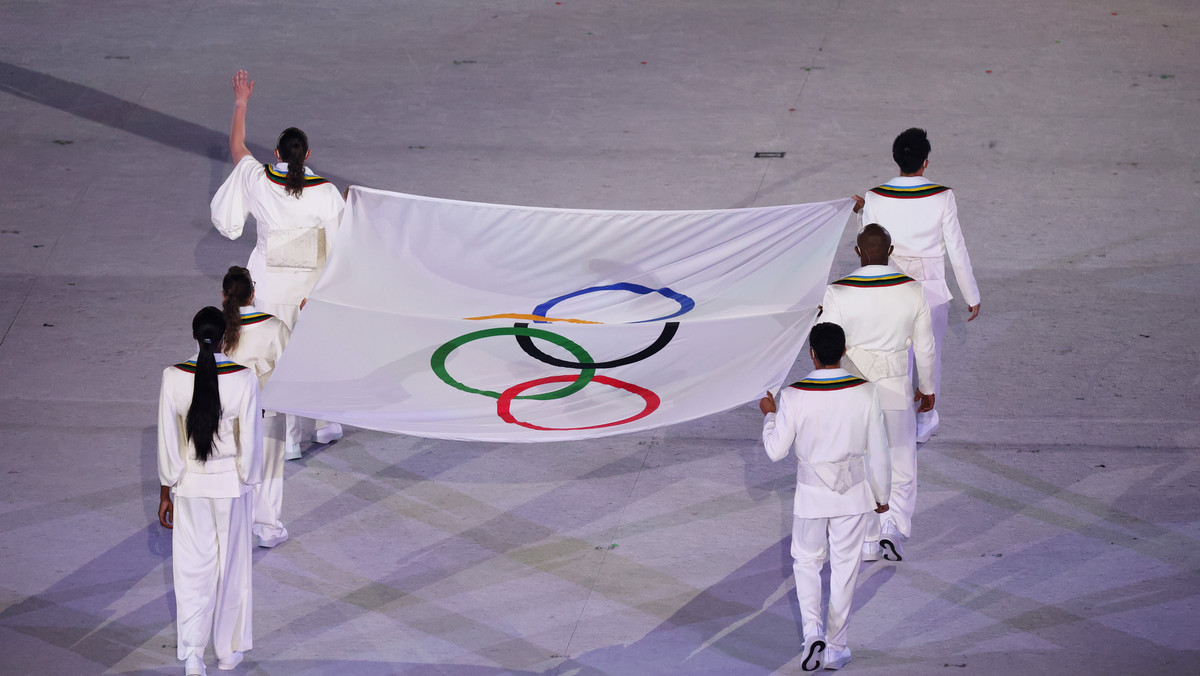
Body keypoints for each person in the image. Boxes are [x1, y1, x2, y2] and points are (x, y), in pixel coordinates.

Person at [210, 69, 345, 454]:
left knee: (275, 360)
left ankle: (285, 442)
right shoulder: (327, 193)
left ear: (277, 154)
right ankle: (324, 423)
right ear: (308, 154)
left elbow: (237, 147)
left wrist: (241, 102)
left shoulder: (258, 179)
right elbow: (344, 245)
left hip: (267, 284)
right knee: (316, 352)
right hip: (310, 287)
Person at [760, 323, 890, 671]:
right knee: (846, 570)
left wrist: (769, 414)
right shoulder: (866, 391)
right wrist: (882, 495)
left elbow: (775, 451)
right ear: (844, 351)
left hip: (811, 498)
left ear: (812, 353)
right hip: (854, 495)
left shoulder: (793, 395)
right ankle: (835, 647)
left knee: (806, 563)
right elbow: (879, 450)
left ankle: (812, 632)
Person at [853, 127, 980, 442]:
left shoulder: (874, 197)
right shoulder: (943, 196)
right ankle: (924, 419)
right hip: (931, 290)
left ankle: (894, 421)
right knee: (930, 355)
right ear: (926, 162)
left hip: (890, 289)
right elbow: (957, 248)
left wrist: (861, 212)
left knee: (896, 356)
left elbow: (868, 240)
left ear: (896, 159)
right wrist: (971, 294)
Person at [819, 224, 936, 563]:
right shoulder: (913, 290)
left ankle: (865, 538)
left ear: (858, 252)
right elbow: (925, 348)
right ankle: (892, 529)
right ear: (891, 250)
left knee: (859, 462)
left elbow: (824, 343)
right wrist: (926, 389)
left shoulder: (838, 291)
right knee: (900, 463)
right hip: (896, 385)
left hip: (853, 389)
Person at [157, 307, 262, 675]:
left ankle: (193, 656)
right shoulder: (244, 378)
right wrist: (249, 481)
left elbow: (168, 440)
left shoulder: (173, 376)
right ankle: (229, 652)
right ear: (224, 338)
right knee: (232, 570)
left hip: (189, 485)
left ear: (193, 335)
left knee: (191, 572)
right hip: (231, 486)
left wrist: (167, 488)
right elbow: (250, 441)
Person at [220, 266, 293, 547]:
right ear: (253, 293)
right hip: (267, 413)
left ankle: (233, 527)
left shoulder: (220, 328)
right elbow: (290, 372)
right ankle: (268, 529)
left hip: (228, 414)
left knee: (233, 469)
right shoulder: (274, 327)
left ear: (224, 295)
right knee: (270, 470)